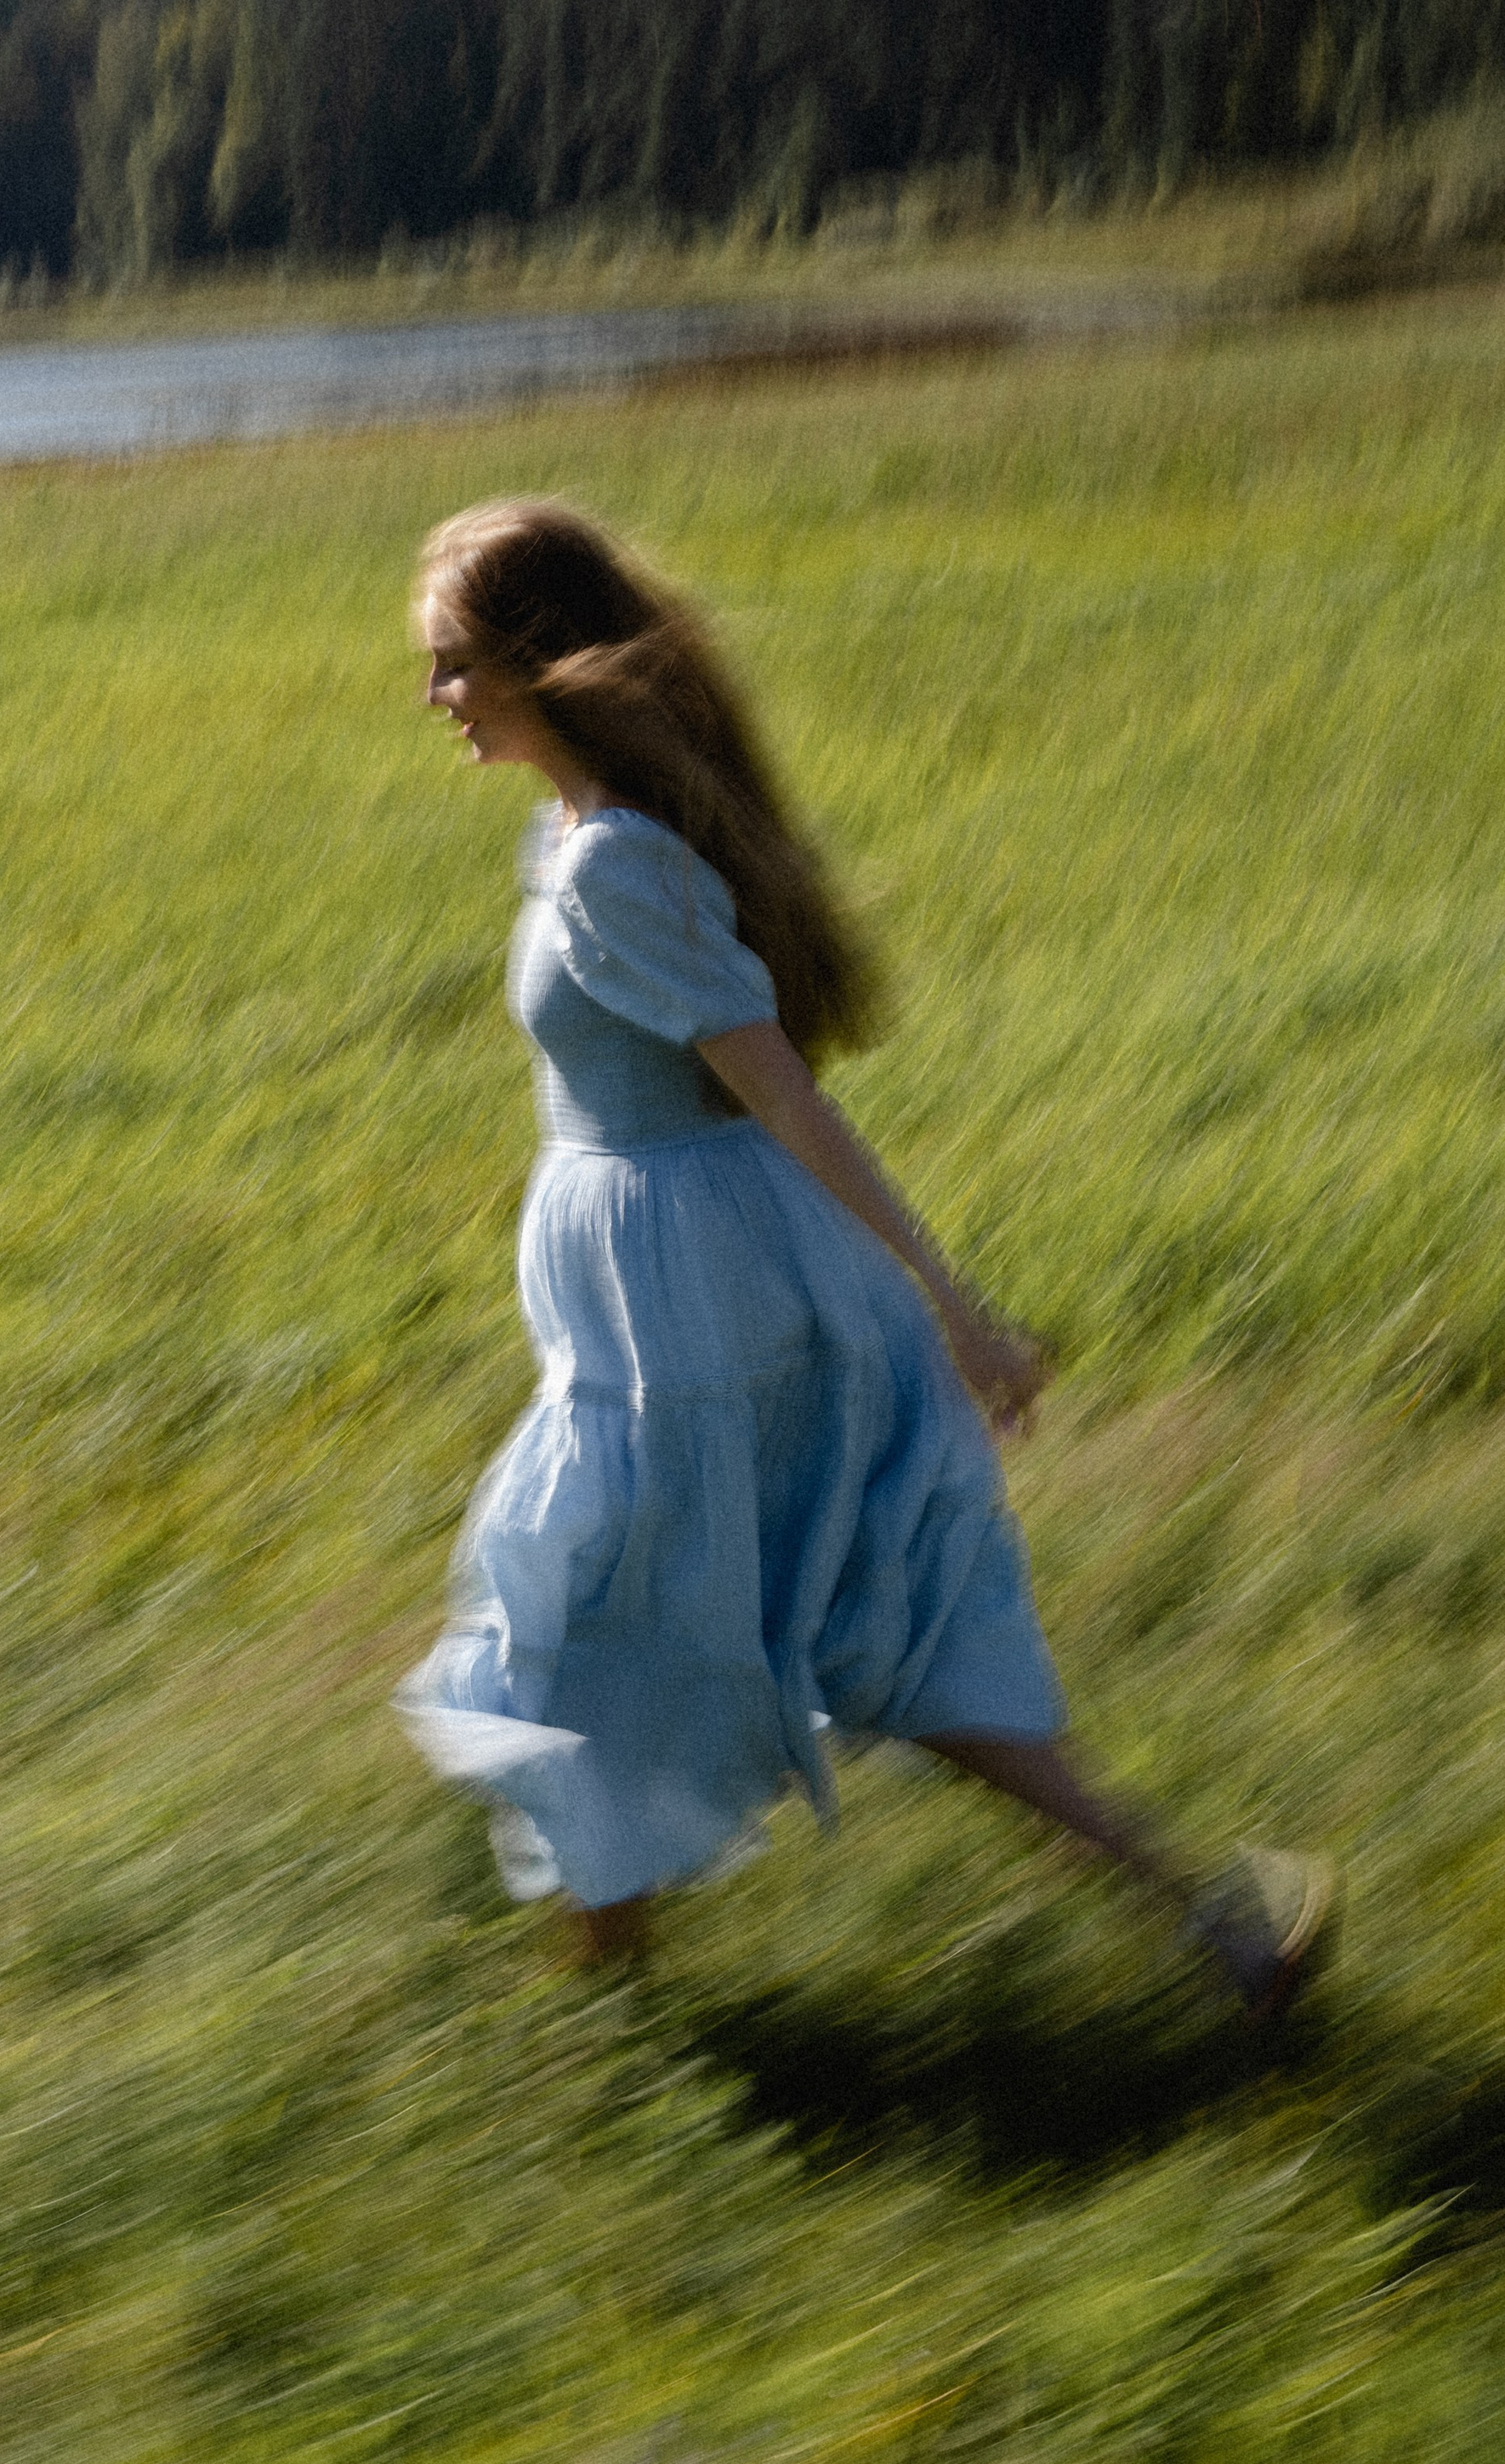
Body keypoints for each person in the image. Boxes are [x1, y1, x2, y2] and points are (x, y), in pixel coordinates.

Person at [395, 497, 1336, 2013]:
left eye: (451, 666)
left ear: (539, 661)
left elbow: (783, 1091)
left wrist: (954, 1309)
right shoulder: (574, 836)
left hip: (692, 1309)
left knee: (588, 1636)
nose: (434, 700)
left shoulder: (611, 868)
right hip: (674, 1289)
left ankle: (606, 2022)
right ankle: (1216, 1919)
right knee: (838, 1634)